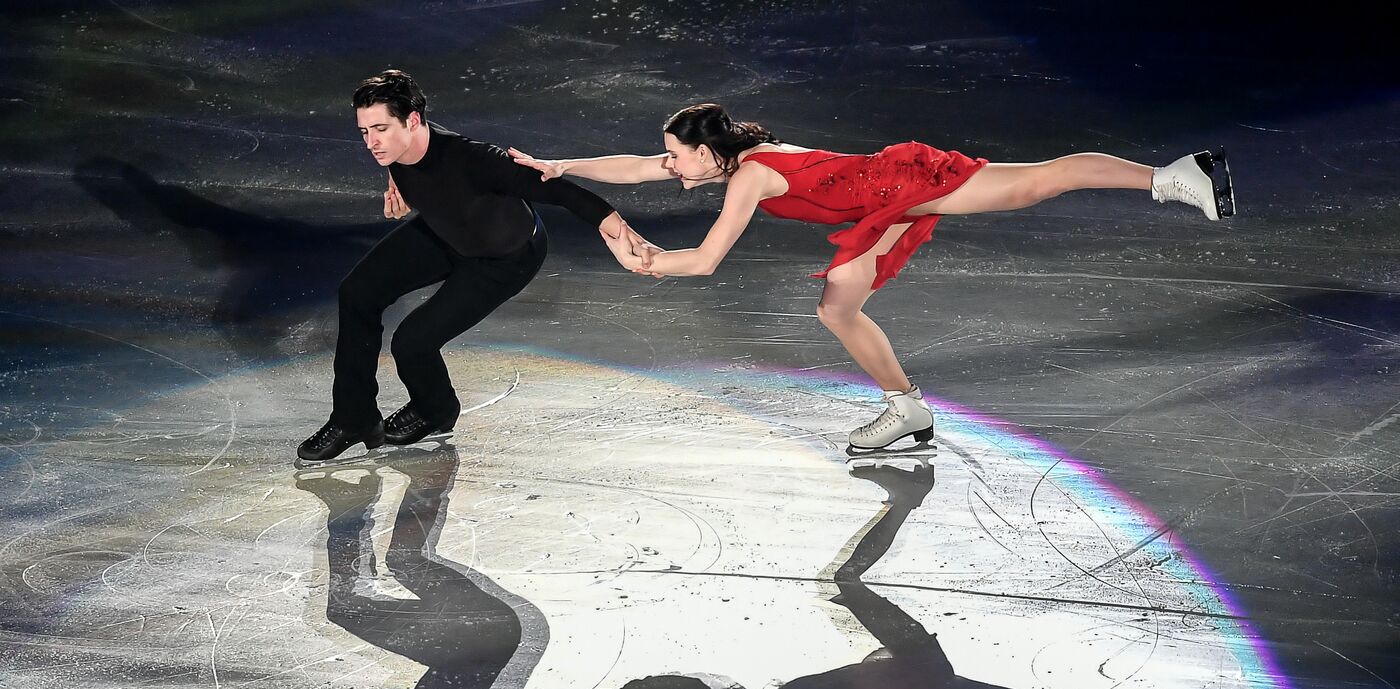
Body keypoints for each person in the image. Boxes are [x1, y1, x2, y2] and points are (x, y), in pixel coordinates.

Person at [510, 103, 1235, 452]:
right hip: (877, 202)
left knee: (1035, 185)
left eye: (677, 152)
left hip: (896, 185)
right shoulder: (733, 158)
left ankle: (1172, 178)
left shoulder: (751, 177)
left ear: (708, 150)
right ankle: (907, 407)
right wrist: (561, 165)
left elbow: (704, 261)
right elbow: (637, 168)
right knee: (838, 308)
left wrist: (649, 263)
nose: (668, 162)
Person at [297, 69, 651, 462]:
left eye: (380, 129)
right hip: (444, 231)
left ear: (412, 121)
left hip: (504, 258)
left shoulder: (474, 158)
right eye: (364, 132)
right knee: (357, 292)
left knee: (412, 342)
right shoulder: (396, 147)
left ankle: (436, 409)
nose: (372, 142)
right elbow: (412, 167)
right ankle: (354, 417)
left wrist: (617, 231)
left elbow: (560, 190)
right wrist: (396, 184)